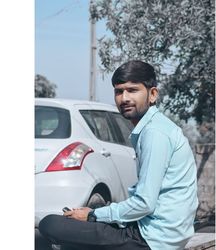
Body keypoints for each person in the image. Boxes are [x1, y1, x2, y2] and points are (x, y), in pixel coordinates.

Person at [39, 60, 198, 250]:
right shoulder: (154, 128)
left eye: (132, 90)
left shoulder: (155, 134)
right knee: (77, 226)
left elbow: (144, 204)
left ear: (153, 94)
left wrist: (92, 215)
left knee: (50, 224)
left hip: (153, 238)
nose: (124, 98)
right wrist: (95, 214)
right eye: (119, 91)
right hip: (157, 230)